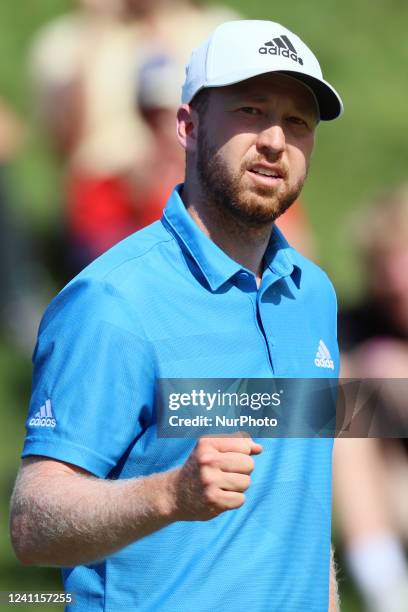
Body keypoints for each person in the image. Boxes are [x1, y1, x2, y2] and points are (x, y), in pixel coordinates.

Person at [10, 20, 343, 611]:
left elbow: (300, 504)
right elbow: (33, 524)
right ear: (188, 126)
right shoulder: (111, 300)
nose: (275, 139)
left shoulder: (313, 295)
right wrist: (173, 492)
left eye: (297, 121)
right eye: (250, 109)